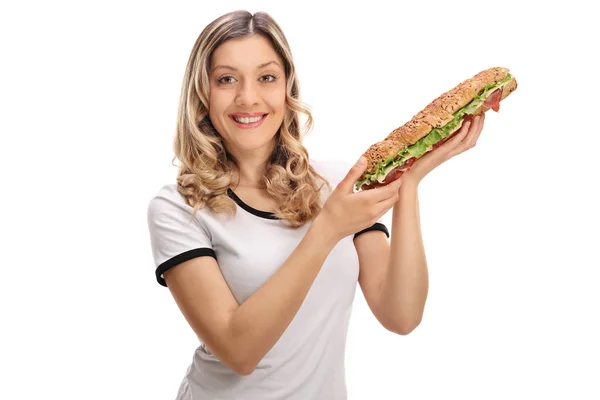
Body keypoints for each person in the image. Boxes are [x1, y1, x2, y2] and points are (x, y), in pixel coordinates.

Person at [146, 9, 485, 400]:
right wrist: (327, 230)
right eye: (226, 80)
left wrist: (409, 181)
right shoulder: (178, 208)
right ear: (203, 95)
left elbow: (402, 316)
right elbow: (239, 351)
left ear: (287, 88)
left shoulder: (334, 185)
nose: (248, 97)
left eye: (267, 77)